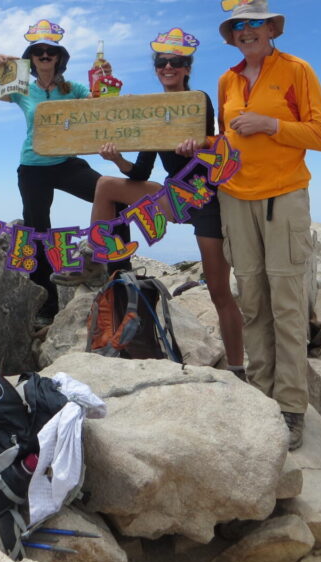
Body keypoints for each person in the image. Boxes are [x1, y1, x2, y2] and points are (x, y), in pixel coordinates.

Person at [56, 28, 246, 375]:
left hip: (207, 200)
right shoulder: (152, 112)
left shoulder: (197, 100)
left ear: (187, 67)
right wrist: (116, 160)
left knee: (219, 291)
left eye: (176, 62)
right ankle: (107, 265)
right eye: (162, 62)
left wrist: (200, 145)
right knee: (107, 186)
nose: (168, 67)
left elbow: (211, 140)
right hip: (174, 197)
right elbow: (140, 171)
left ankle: (237, 368)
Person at [216, 0, 321, 450]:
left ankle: (291, 408)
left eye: (255, 23)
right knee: (253, 301)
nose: (247, 31)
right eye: (239, 26)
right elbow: (229, 137)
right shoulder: (227, 80)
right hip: (235, 198)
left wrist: (271, 125)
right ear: (233, 36)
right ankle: (261, 398)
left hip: (283, 196)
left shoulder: (297, 71)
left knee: (286, 303)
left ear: (271, 29)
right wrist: (199, 144)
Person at [0, 20, 124, 320]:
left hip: (67, 163)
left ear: (58, 58)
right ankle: (47, 305)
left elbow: (101, 105)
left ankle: (118, 271)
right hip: (33, 167)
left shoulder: (72, 88)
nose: (44, 56)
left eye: (50, 52)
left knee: (114, 199)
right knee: (37, 231)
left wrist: (104, 84)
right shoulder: (21, 87)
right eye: (38, 52)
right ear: (30, 58)